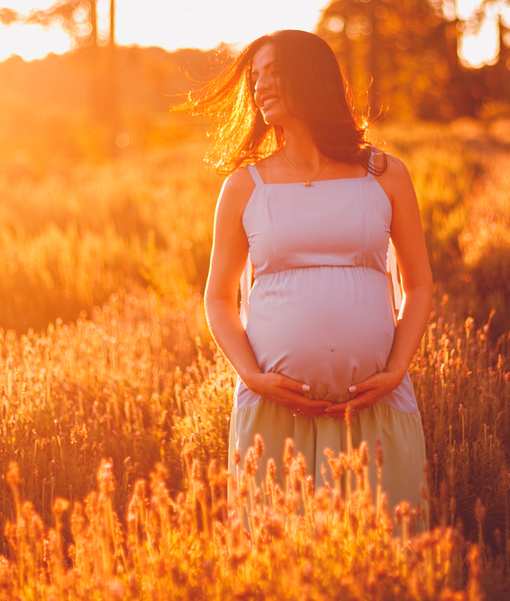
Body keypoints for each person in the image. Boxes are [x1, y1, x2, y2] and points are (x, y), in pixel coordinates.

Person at [181, 29, 433, 512]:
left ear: (311, 77)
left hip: (375, 408)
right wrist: (252, 377)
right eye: (256, 76)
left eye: (275, 72)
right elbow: (217, 298)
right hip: (274, 415)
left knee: (384, 560)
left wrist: (398, 368)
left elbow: (418, 284)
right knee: (278, 568)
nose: (260, 86)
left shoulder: (385, 174)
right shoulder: (242, 186)